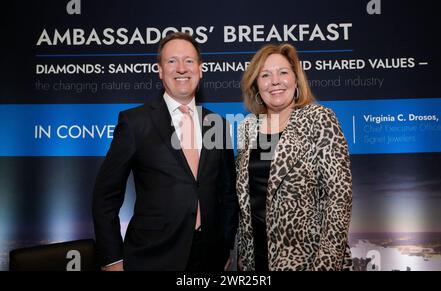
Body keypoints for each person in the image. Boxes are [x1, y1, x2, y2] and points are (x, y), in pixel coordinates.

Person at [92, 32, 238, 271]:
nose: (181, 68)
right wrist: (112, 258)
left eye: (189, 61)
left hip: (210, 257)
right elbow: (105, 196)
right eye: (172, 61)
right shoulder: (135, 122)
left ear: (200, 69)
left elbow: (227, 193)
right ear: (160, 70)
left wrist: (225, 246)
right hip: (153, 256)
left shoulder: (217, 124)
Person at [236, 43, 353, 271]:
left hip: (308, 261)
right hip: (255, 261)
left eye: (283, 72)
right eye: (265, 75)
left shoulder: (319, 119)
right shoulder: (247, 127)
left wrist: (326, 263)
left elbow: (339, 197)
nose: (275, 81)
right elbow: (246, 202)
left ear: (296, 78)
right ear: (256, 84)